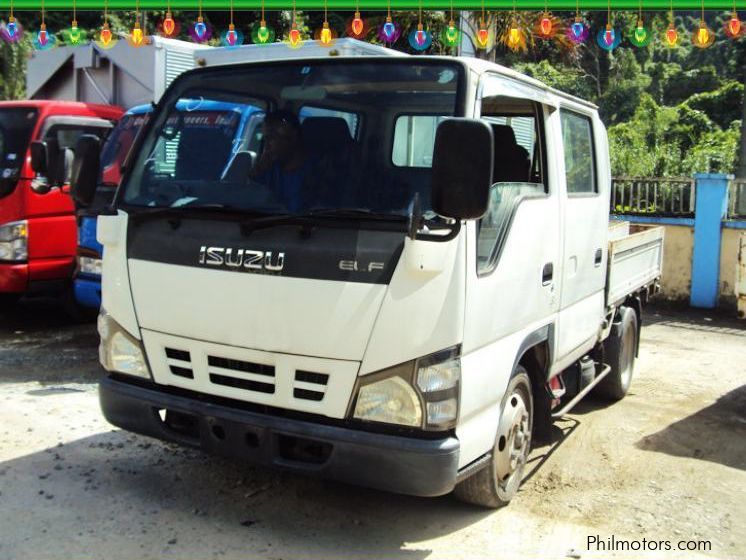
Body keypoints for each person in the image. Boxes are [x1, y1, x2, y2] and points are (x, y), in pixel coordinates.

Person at [251, 110, 313, 213]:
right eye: (265, 139)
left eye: (272, 138)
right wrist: (258, 169)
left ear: (293, 137)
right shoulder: (268, 169)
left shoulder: (316, 171)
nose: (267, 146)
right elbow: (247, 199)